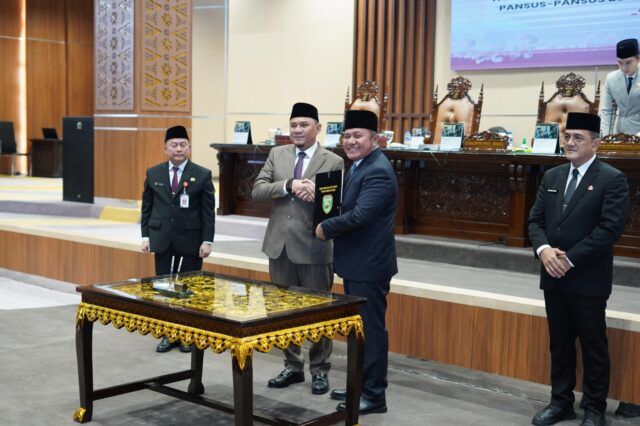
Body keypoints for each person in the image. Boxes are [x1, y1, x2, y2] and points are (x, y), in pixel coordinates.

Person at [528, 112, 629, 426]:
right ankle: (561, 402)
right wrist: (544, 251)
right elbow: (535, 221)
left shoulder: (612, 179)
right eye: (567, 136)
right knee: (560, 344)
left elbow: (609, 230)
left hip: (587, 278)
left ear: (595, 143)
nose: (570, 142)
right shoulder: (552, 176)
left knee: (592, 345)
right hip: (553, 276)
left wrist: (568, 259)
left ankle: (595, 408)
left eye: (578, 138)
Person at [252, 102, 343, 395]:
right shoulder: (277, 154)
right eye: (293, 125)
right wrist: (289, 185)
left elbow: (335, 206)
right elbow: (257, 190)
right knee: (282, 311)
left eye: (304, 125)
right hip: (279, 247)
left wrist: (316, 195)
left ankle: (319, 370)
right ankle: (292, 366)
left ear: (318, 128)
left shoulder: (334, 161)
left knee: (318, 312)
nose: (298, 130)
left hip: (314, 247)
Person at [315, 109, 398, 415]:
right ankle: (359, 385)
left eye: (358, 136)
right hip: (357, 262)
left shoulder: (378, 170)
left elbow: (361, 215)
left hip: (369, 265)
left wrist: (326, 227)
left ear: (375, 139)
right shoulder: (360, 165)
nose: (350, 141)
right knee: (359, 329)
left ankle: (374, 395)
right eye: (347, 136)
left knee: (371, 331)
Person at [141, 125, 216, 353]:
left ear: (189, 148)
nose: (179, 149)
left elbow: (208, 212)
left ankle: (186, 334)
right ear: (165, 148)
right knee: (163, 287)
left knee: (187, 288)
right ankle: (168, 333)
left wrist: (207, 241)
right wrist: (145, 236)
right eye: (174, 145)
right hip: (161, 238)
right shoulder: (153, 173)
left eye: (183, 144)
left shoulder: (202, 174)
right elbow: (147, 207)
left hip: (191, 240)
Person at [600, 38, 640, 136]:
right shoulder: (611, 78)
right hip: (620, 134)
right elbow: (607, 111)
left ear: (638, 59)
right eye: (620, 62)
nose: (623, 68)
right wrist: (606, 138)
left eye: (628, 62)